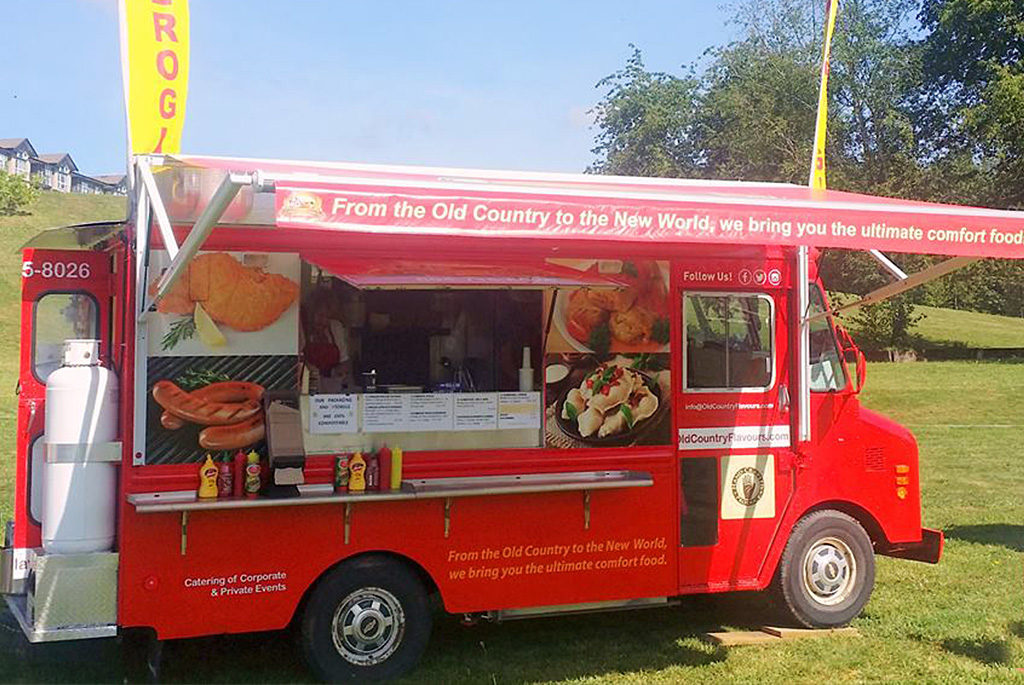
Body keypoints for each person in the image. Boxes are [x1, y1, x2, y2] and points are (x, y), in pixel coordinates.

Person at [301, 289, 352, 393]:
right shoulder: (301, 329)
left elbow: (345, 362)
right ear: (310, 313)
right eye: (320, 315)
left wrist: (338, 372)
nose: (324, 321)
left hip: (332, 391)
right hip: (308, 389)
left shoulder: (336, 327)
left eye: (328, 316)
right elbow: (298, 361)